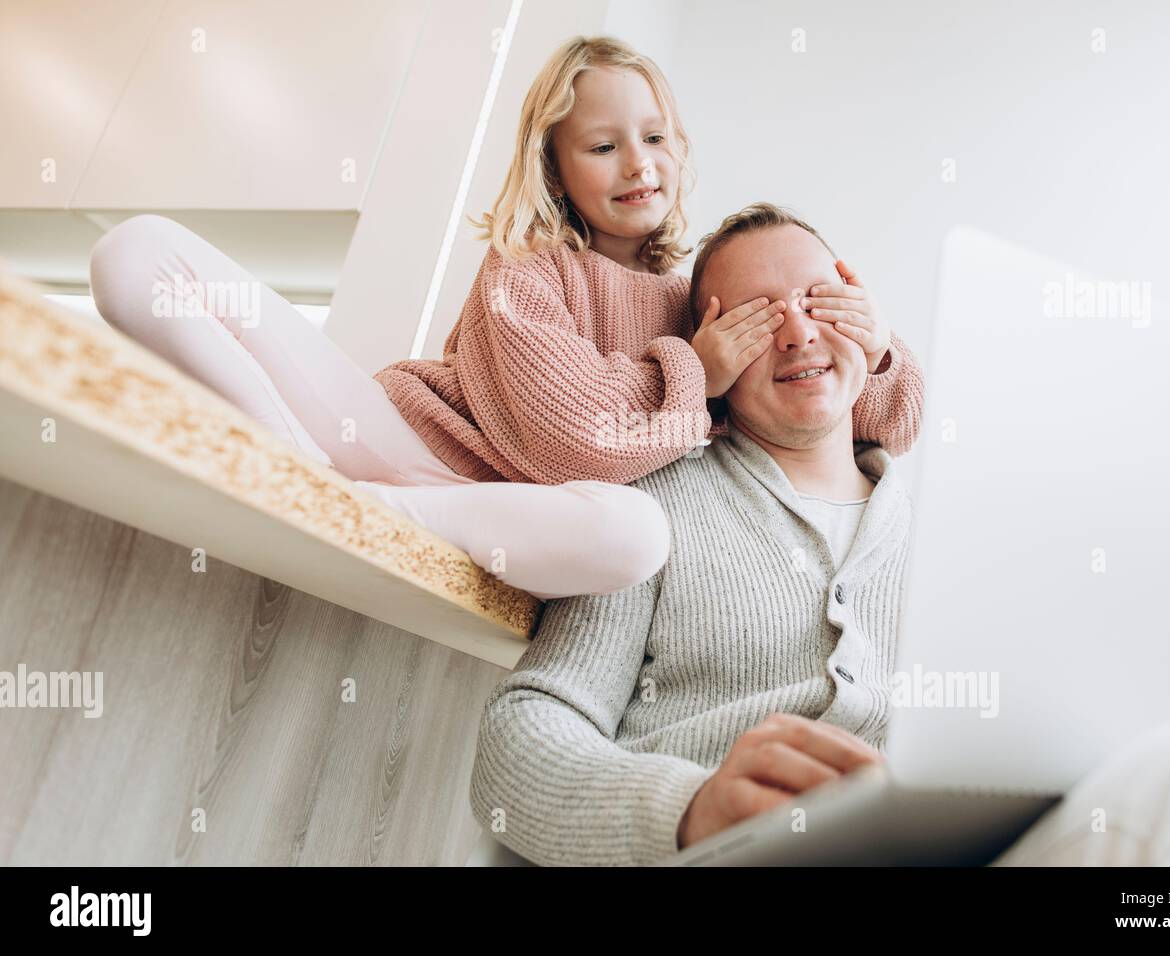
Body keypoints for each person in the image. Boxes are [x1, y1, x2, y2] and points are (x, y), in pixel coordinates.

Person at [467, 203, 1170, 867]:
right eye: (757, 316)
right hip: (730, 854)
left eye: (818, 301)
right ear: (711, 350)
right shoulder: (654, 508)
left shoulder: (966, 528)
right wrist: (685, 808)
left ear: (865, 320)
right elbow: (521, 737)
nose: (795, 332)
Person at [87, 35, 924, 601]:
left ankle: (346, 507)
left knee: (636, 537)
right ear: (556, 168)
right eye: (602, 147)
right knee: (140, 254)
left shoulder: (700, 301)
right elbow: (567, 442)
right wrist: (692, 377)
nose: (639, 164)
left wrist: (878, 349)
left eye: (656, 137)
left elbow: (875, 422)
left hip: (498, 516)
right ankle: (307, 478)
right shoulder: (531, 265)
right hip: (395, 439)